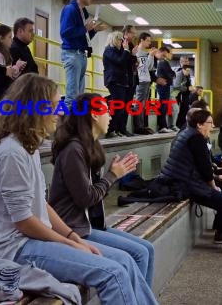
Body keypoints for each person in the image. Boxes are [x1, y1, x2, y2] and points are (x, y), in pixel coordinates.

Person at [0, 74, 158, 305]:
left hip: (29, 241)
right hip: (13, 249)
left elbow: (41, 205)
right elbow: (23, 222)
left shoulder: (25, 148)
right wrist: (71, 243)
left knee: (125, 262)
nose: (60, 112)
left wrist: (73, 238)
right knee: (113, 273)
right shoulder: (12, 152)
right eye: (54, 105)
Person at [49, 92, 156, 292]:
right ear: (95, 115)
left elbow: (92, 196)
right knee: (137, 255)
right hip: (74, 228)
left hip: (91, 224)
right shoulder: (74, 149)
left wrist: (112, 174)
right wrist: (112, 176)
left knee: (147, 249)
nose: (111, 116)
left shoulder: (89, 145)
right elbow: (85, 198)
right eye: (107, 111)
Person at [157, 109, 222, 255]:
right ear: (199, 124)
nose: (213, 126)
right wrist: (213, 185)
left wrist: (215, 179)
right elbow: (204, 169)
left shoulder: (188, 133)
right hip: (181, 184)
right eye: (210, 123)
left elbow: (200, 166)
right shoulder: (196, 138)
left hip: (181, 180)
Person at [60, 0, 107, 107]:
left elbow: (82, 36)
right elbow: (65, 32)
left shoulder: (82, 12)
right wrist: (85, 28)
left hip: (80, 54)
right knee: (72, 95)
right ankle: (69, 125)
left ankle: (76, 123)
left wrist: (93, 30)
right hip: (72, 53)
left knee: (79, 96)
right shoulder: (70, 9)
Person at [102, 31, 135, 137]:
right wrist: (126, 50)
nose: (122, 42)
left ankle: (116, 129)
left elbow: (126, 63)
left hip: (120, 81)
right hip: (114, 80)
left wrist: (132, 55)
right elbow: (120, 61)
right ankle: (111, 130)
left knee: (120, 106)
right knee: (118, 105)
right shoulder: (109, 50)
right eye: (121, 40)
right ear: (115, 39)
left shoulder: (118, 51)